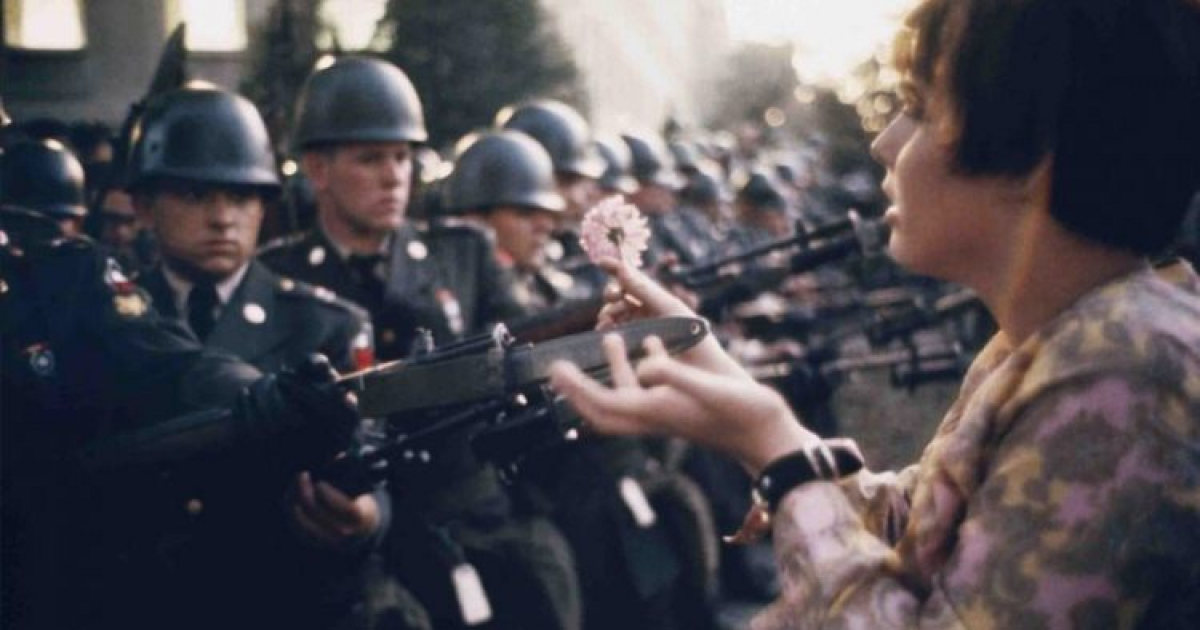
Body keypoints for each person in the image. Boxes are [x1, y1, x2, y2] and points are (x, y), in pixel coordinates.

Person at [550, 0, 1200, 627]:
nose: (887, 143)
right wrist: (732, 387)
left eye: (919, 109)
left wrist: (778, 450)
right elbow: (923, 533)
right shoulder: (1076, 337)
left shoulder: (1125, 370)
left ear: (1030, 156)